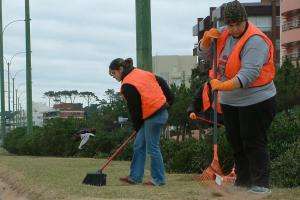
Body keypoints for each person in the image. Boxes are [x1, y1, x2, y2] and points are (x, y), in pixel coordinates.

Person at [200, 0, 276, 194]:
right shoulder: (224, 35)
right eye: (230, 25)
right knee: (236, 143)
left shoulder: (255, 40)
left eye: (237, 24)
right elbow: (207, 56)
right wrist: (205, 42)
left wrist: (222, 85)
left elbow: (248, 76)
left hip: (256, 100)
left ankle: (261, 185)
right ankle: (243, 182)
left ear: (245, 20)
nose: (233, 29)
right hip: (231, 102)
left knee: (253, 141)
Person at [109, 57, 174, 186]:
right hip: (154, 114)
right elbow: (161, 81)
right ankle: (135, 177)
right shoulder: (141, 72)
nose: (114, 77)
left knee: (152, 147)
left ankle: (159, 179)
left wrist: (137, 126)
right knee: (139, 144)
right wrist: (170, 99)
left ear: (120, 69)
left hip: (154, 115)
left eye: (114, 73)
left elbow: (135, 109)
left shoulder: (127, 84)